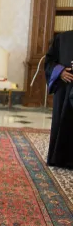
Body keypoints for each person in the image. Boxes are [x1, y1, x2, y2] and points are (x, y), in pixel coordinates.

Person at [44, 30, 73, 169]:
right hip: (64, 88)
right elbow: (49, 61)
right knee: (62, 122)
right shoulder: (62, 38)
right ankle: (59, 159)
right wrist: (60, 72)